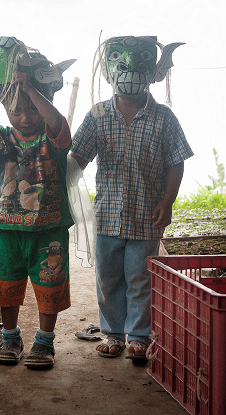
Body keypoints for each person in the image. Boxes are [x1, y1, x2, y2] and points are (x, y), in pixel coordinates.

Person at [70, 35, 192, 361]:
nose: (130, 68)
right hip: (107, 218)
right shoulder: (96, 117)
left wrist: (167, 202)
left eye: (141, 60)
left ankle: (138, 337)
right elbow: (77, 161)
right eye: (119, 60)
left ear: (154, 71)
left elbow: (175, 162)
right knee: (108, 279)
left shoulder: (164, 118)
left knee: (140, 279)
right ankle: (112, 334)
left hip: (147, 217)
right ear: (109, 72)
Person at [0, 39, 75, 370]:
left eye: (30, 109)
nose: (24, 118)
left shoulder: (52, 138)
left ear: (45, 103)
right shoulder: (4, 137)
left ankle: (44, 342)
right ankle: (10, 337)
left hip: (48, 228)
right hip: (6, 226)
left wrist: (30, 89)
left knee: (48, 284)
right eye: (16, 110)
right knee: (5, 284)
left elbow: (61, 128)